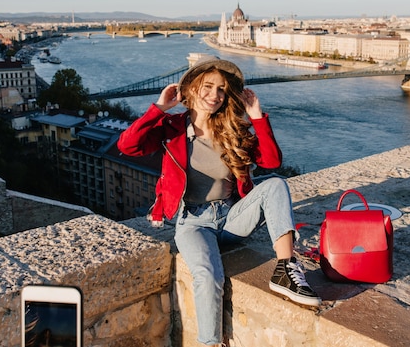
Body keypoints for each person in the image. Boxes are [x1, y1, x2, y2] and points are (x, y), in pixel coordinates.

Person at [117, 57, 320, 346]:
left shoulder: (232, 128)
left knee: (275, 185)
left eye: (222, 89)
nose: (215, 95)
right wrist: (159, 108)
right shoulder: (172, 128)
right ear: (193, 88)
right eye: (208, 86)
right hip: (193, 223)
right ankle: (210, 343)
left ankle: (286, 268)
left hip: (232, 218)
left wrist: (257, 116)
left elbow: (272, 162)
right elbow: (127, 145)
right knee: (208, 276)